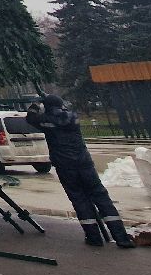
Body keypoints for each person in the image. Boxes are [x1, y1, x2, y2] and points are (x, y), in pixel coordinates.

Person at [26, 95, 135, 248]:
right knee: (101, 197)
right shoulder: (73, 117)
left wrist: (36, 104)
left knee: (79, 200)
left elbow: (30, 118)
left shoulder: (46, 120)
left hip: (65, 166)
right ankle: (122, 238)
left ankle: (94, 237)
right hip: (84, 163)